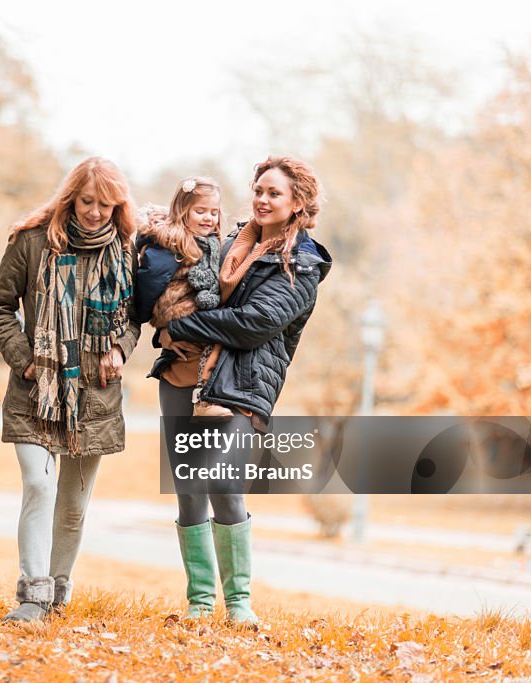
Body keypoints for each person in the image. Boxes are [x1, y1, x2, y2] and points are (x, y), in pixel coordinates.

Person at [146, 161, 331, 623]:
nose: (263, 200)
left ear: (298, 204)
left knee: (226, 484)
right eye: (259, 191)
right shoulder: (228, 243)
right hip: (183, 374)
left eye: (275, 194)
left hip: (242, 384)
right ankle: (201, 602)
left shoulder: (302, 262)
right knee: (189, 488)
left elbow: (257, 323)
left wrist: (180, 324)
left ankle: (239, 603)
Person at [0, 157, 141, 622]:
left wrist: (121, 347)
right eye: (87, 201)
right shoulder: (31, 241)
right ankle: (31, 594)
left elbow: (135, 316)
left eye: (106, 204)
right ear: (70, 196)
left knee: (72, 508)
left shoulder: (127, 250)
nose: (95, 212)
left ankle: (55, 593)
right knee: (38, 484)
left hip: (94, 392)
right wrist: (26, 361)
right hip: (37, 389)